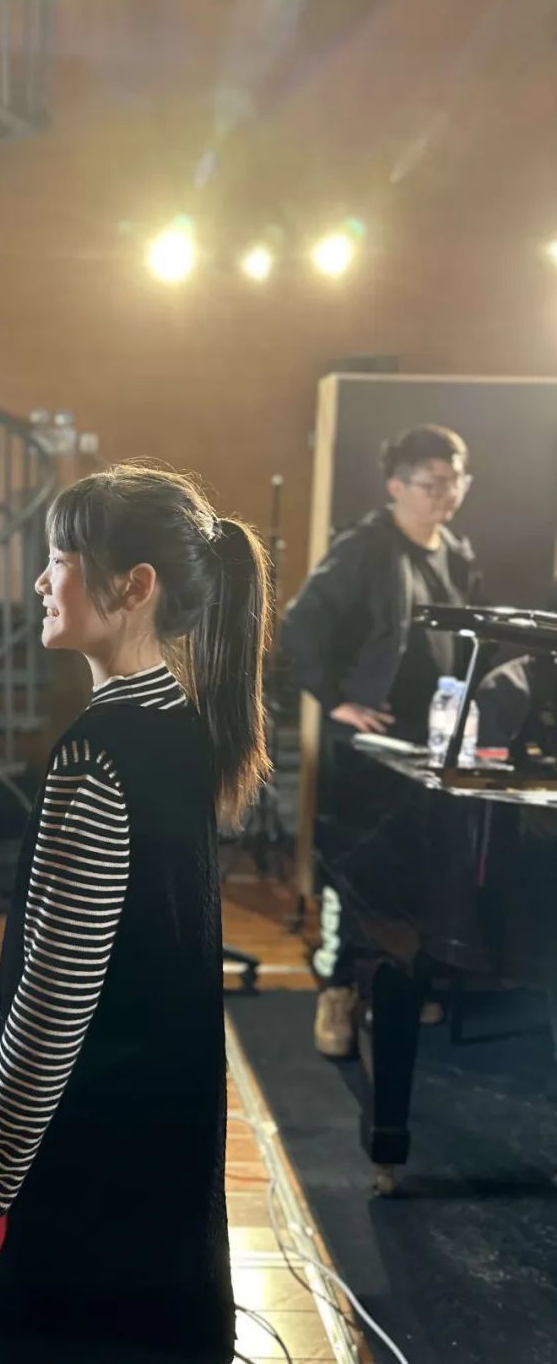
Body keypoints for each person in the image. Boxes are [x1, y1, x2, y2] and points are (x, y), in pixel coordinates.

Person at [0, 462, 272, 1364]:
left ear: (134, 586)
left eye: (60, 559)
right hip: (163, 1153)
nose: (41, 581)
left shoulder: (96, 759)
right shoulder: (185, 728)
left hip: (89, 1170)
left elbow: (54, 1009)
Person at [281, 424, 482, 1058]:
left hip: (429, 744)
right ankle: (338, 994)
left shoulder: (457, 552)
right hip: (368, 746)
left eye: (455, 481)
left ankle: (399, 988)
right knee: (354, 876)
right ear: (396, 485)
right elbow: (299, 626)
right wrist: (336, 698)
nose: (446, 494)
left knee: (421, 873)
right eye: (432, 483)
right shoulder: (364, 548)